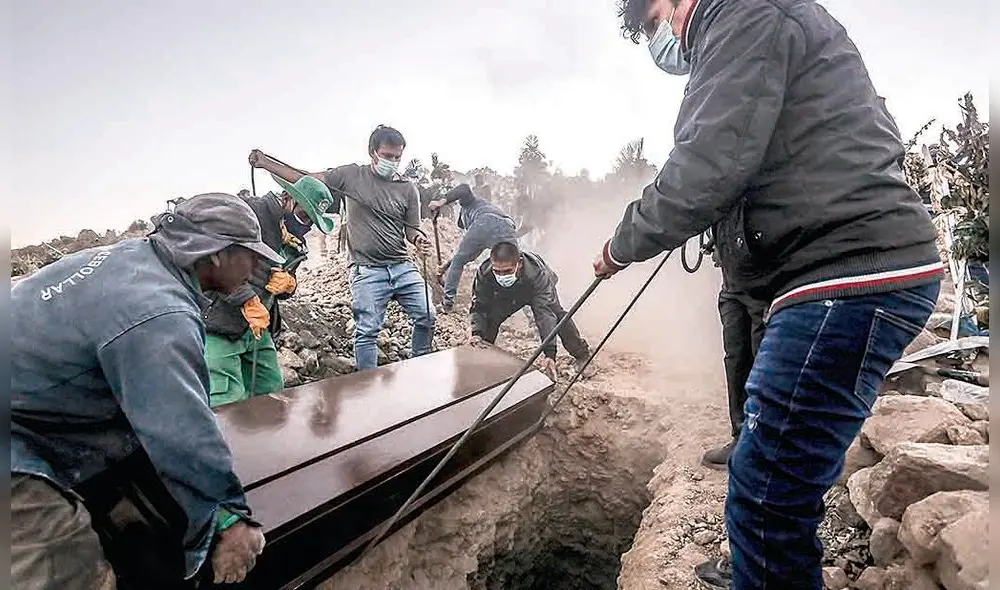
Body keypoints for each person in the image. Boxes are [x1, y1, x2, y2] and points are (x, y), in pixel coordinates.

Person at [598, 1, 944, 588]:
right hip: (827, 267)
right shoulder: (753, 24)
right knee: (779, 470)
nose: (661, 37)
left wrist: (619, 246)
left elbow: (706, 164)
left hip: (844, 271)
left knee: (763, 491)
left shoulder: (745, 13)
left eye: (657, 18)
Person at [11, 193, 280, 589]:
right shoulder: (158, 313)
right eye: (249, 254)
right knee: (66, 567)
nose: (259, 264)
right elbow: (178, 430)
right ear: (217, 255)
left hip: (30, 404)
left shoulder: (137, 259)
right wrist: (228, 517)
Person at [248, 124, 436, 371]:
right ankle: (367, 384)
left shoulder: (408, 189)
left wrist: (418, 239)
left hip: (401, 265)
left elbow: (412, 228)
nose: (392, 162)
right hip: (367, 270)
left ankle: (420, 363)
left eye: (397, 157)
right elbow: (308, 180)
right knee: (367, 330)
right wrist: (265, 164)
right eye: (387, 156)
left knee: (427, 315)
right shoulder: (351, 176)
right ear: (373, 152)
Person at [203, 177, 336, 407]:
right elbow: (216, 265)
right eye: (305, 216)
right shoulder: (250, 213)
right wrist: (246, 299)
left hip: (257, 326)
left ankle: (266, 442)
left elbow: (283, 285)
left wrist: (289, 285)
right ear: (287, 199)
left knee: (270, 391)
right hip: (220, 322)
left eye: (312, 221)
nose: (306, 225)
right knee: (225, 402)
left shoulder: (293, 240)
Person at [470, 241, 592, 380]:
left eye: (507, 271)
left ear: (519, 263)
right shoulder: (485, 272)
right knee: (490, 319)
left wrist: (549, 354)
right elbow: (479, 304)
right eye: (497, 272)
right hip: (507, 295)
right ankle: (484, 358)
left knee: (558, 317)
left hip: (536, 290)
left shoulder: (538, 274)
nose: (502, 276)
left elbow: (545, 314)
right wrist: (476, 332)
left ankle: (582, 355)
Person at [702, 276, 768, 469]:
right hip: (734, 278)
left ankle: (767, 443)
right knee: (736, 355)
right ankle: (742, 437)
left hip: (769, 280)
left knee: (765, 357)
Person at [427, 183, 518, 312]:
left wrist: (440, 202)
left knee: (459, 261)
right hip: (508, 225)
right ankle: (530, 311)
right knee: (516, 265)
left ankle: (447, 303)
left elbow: (464, 187)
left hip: (485, 221)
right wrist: (445, 267)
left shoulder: (469, 203)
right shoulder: (486, 208)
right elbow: (466, 255)